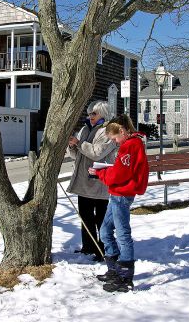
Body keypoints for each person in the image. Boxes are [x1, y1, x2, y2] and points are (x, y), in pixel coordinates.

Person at [88, 114, 149, 292]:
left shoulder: (130, 146)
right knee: (106, 231)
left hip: (122, 194)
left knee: (122, 234)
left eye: (114, 138)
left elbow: (119, 175)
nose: (114, 142)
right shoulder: (128, 145)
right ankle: (113, 269)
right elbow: (120, 170)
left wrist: (99, 173)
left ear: (122, 131)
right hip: (116, 193)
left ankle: (125, 277)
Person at [67, 100, 117, 261]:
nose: (91, 116)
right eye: (89, 113)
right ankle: (88, 246)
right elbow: (78, 155)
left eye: (94, 113)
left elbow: (97, 153)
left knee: (100, 217)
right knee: (85, 215)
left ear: (103, 113)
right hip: (83, 180)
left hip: (99, 180)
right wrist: (72, 146)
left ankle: (103, 249)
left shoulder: (108, 130)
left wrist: (80, 143)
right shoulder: (84, 129)